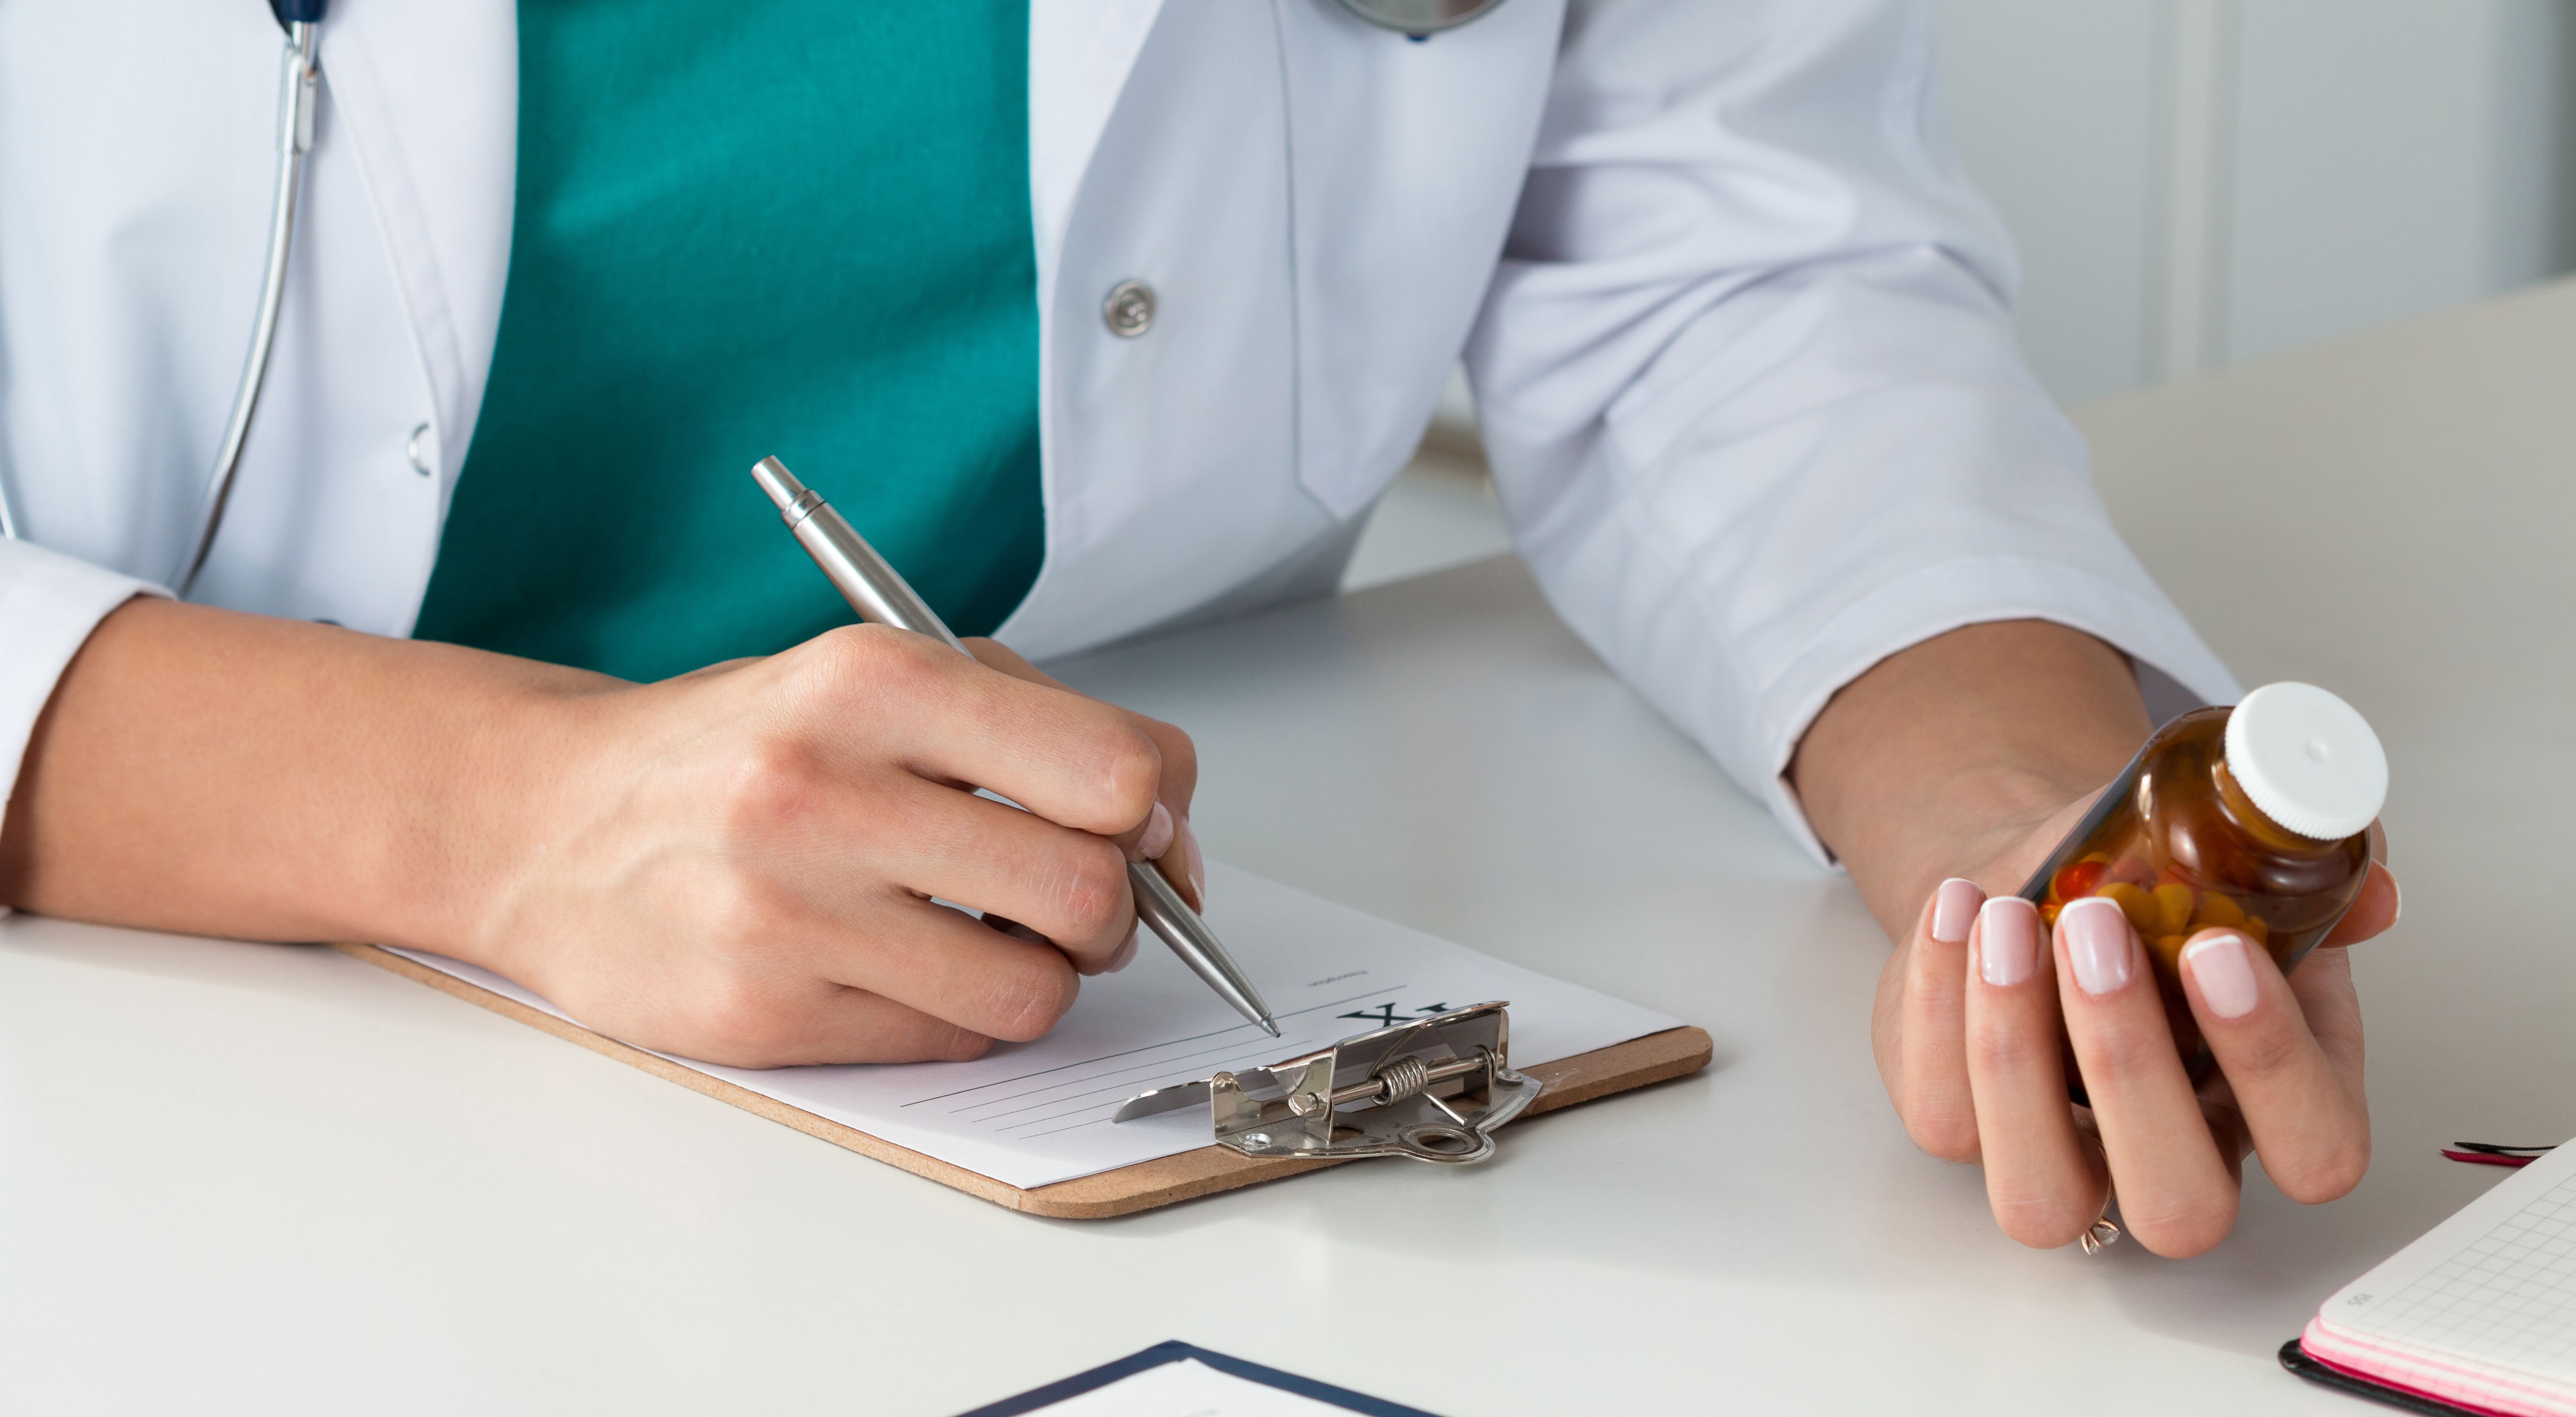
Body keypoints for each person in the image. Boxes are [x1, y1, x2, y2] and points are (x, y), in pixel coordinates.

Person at [0, 0, 2396, 1257]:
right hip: (141, 1063)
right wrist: (500, 821)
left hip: (1038, 1130)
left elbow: (1721, 256)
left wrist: (2007, 825)